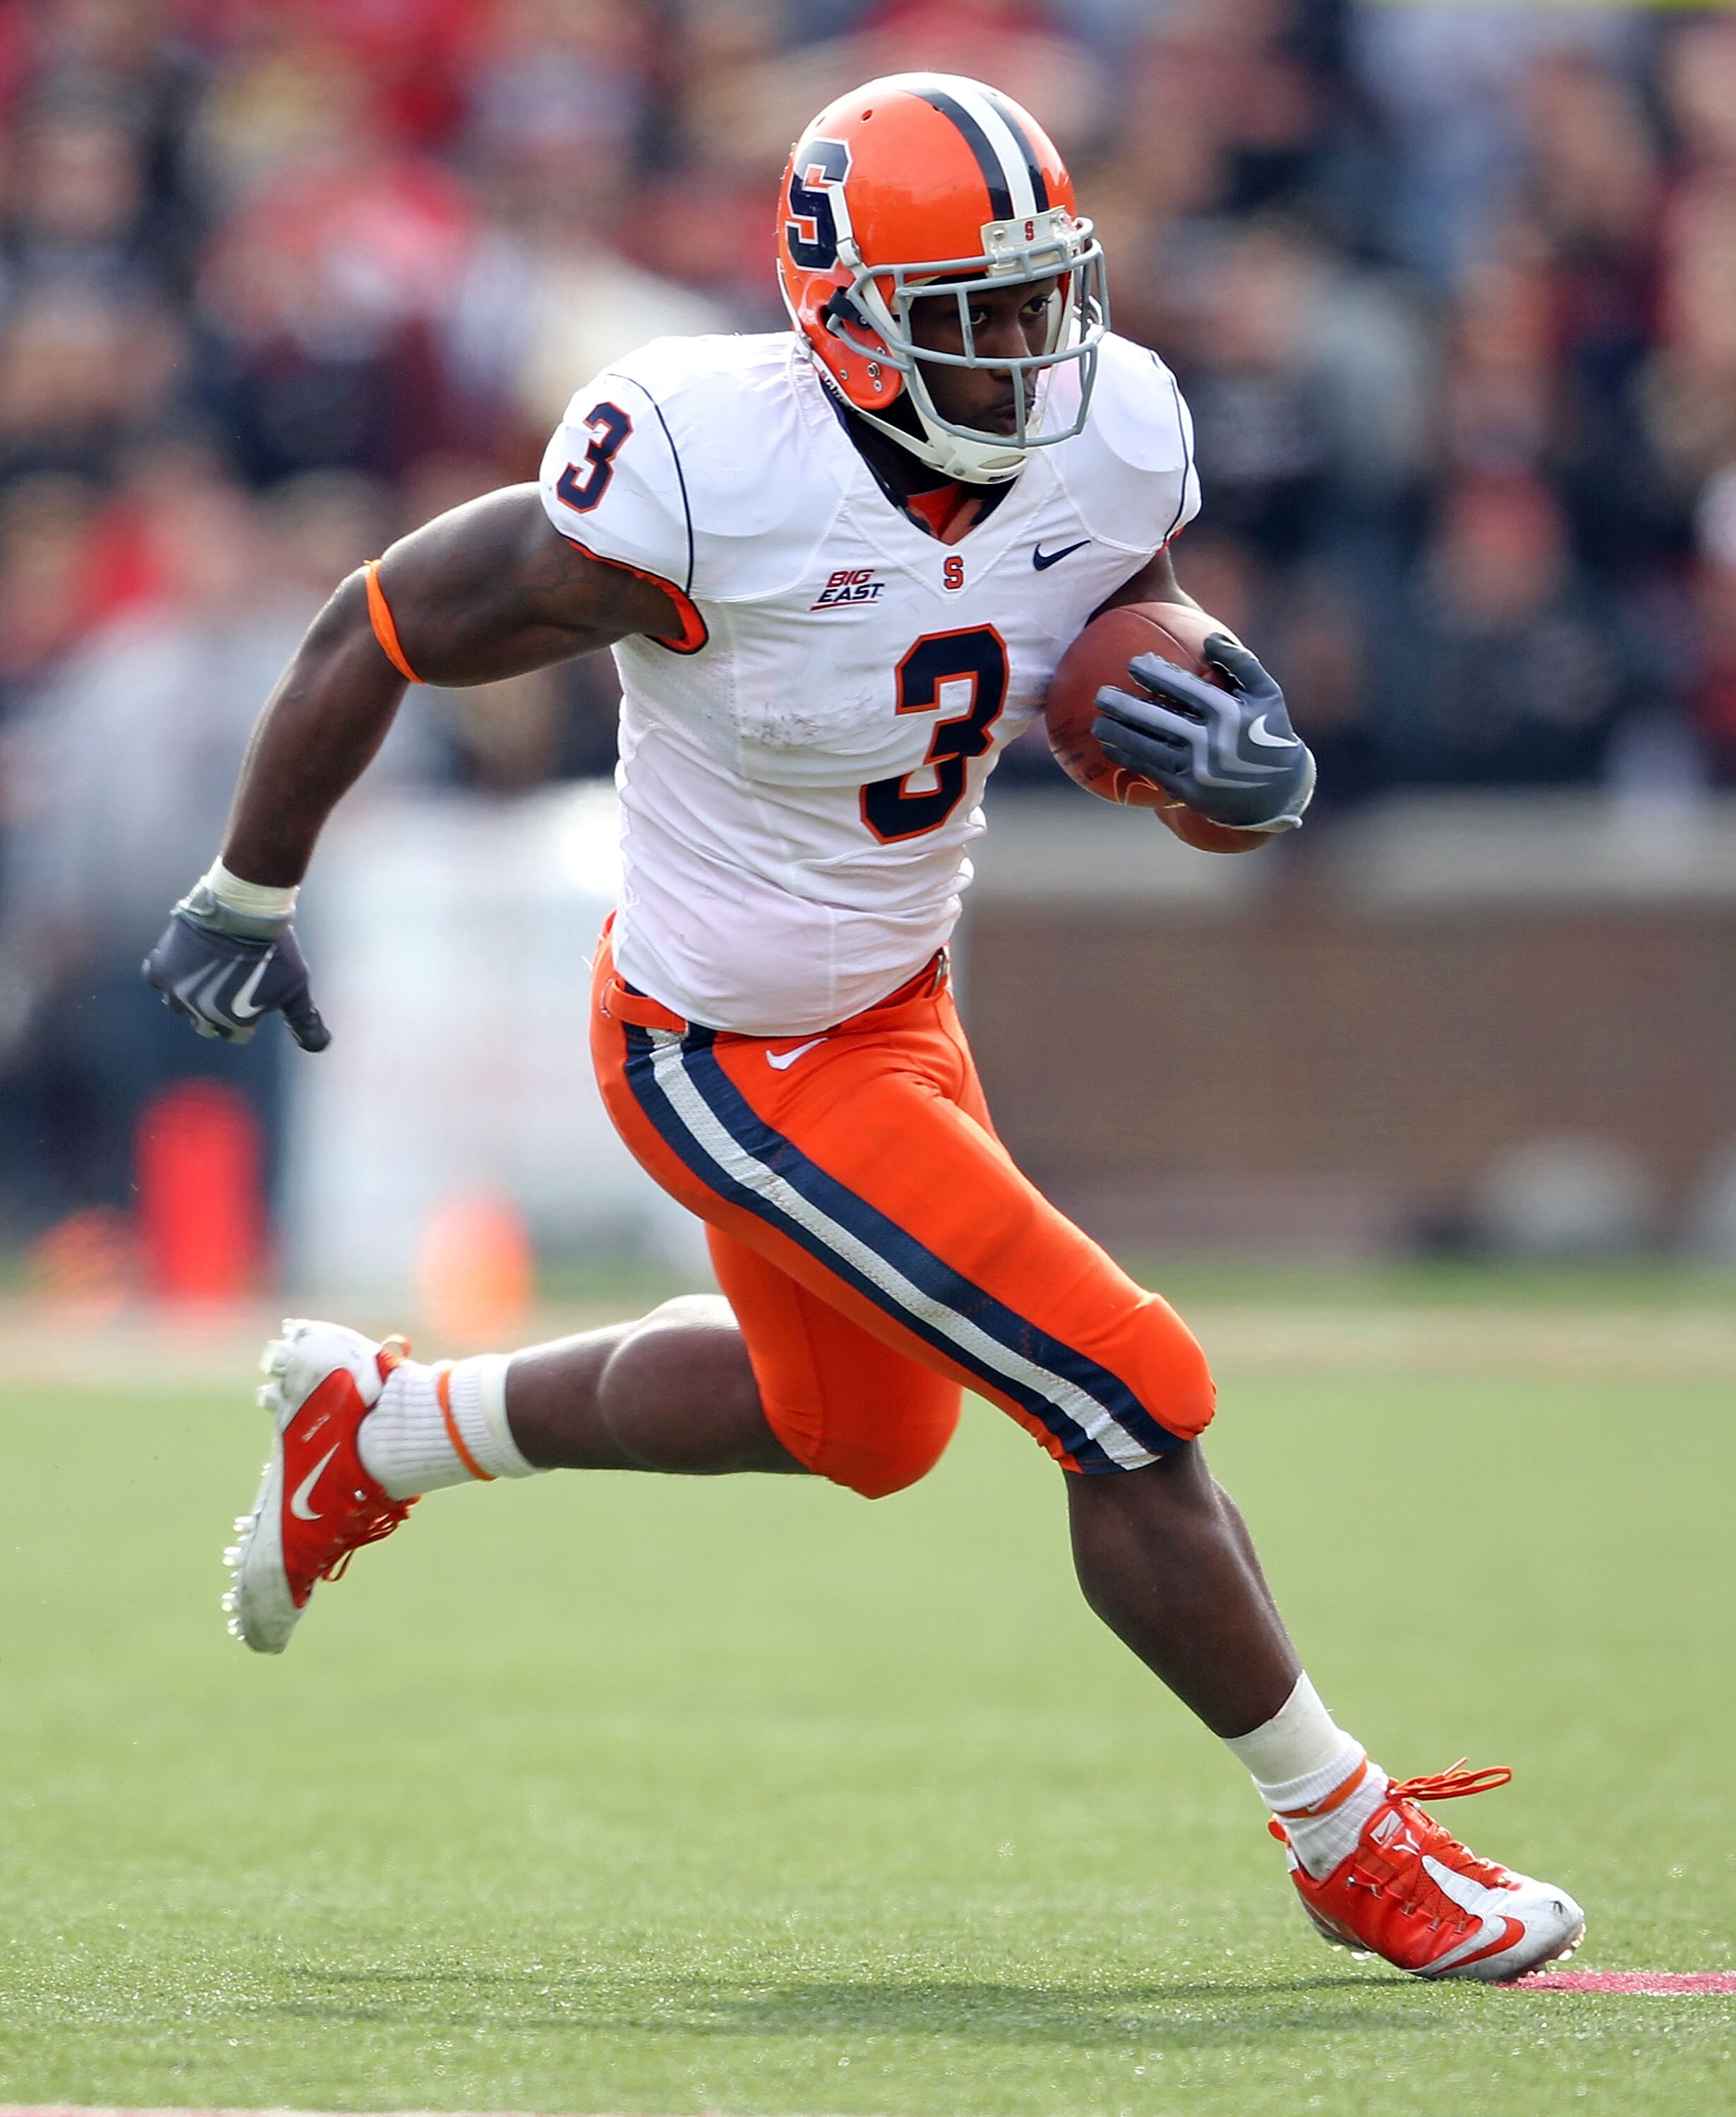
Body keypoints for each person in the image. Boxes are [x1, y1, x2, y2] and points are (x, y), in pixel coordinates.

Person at [143, 75, 1581, 1983]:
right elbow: (379, 626)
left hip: (895, 1004)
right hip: (716, 1046)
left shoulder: (1113, 429)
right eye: (967, 315)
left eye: (1039, 298)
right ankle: (1348, 1839)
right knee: (1123, 1392)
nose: (1022, 354)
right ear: (837, 312)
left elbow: (1114, 636)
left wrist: (1232, 760)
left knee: (864, 1426)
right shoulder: (694, 461)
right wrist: (248, 885)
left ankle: (383, 1428)